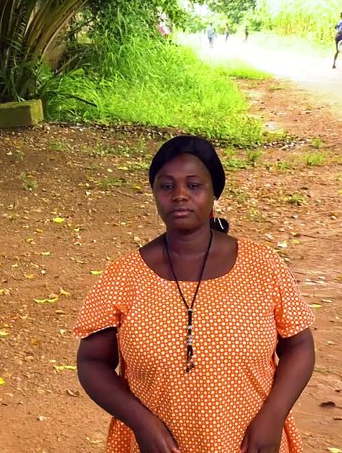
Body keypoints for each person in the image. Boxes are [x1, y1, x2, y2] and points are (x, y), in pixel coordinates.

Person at [75, 135, 315, 453]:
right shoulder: (124, 275)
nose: (179, 196)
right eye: (166, 186)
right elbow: (92, 361)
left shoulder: (261, 264)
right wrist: (141, 422)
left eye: (193, 185)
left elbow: (299, 347)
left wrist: (272, 417)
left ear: (214, 192)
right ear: (155, 194)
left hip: (250, 443)